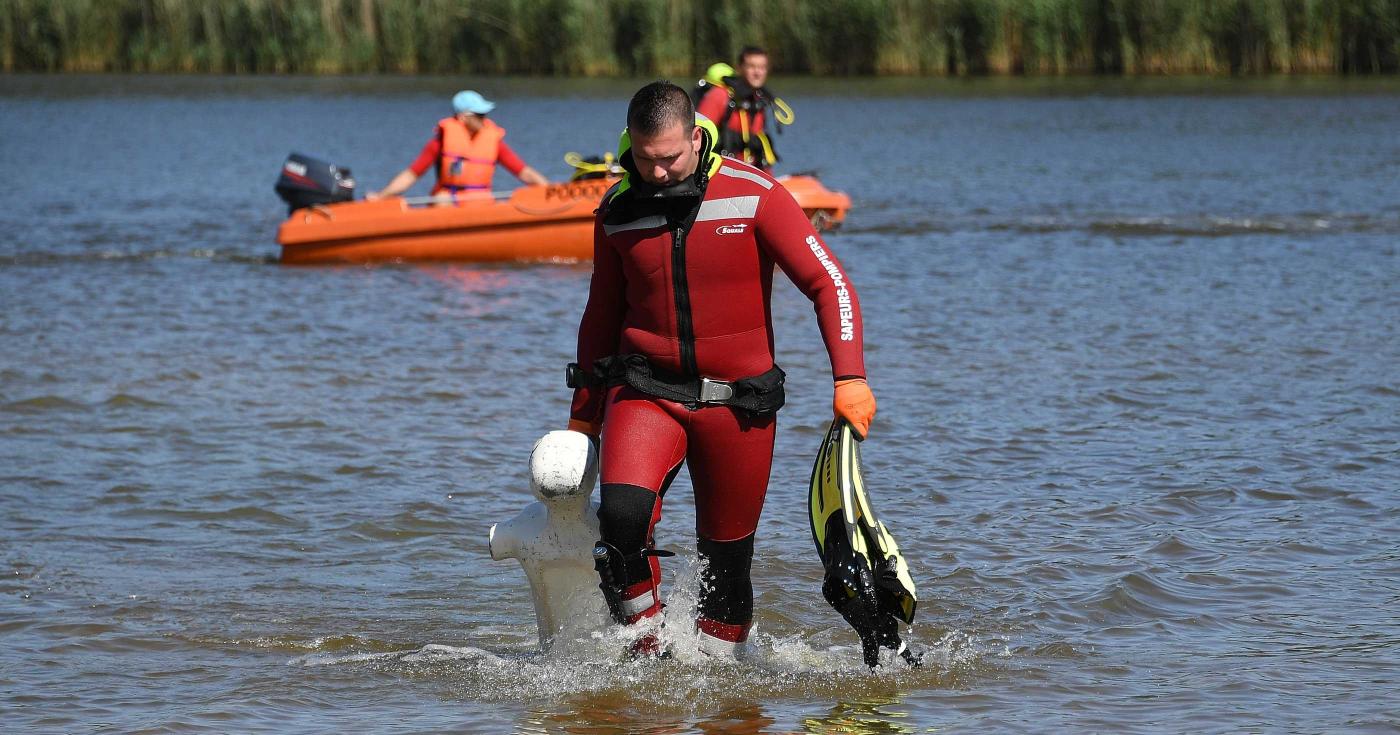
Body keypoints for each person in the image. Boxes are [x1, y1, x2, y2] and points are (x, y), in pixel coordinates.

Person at [564, 81, 875, 658]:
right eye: (643, 157)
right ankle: (645, 649)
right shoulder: (616, 208)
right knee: (622, 523)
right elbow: (599, 316)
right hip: (645, 392)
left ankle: (720, 679)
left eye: (669, 158)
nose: (655, 172)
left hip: (739, 405)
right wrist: (582, 421)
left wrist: (849, 376)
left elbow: (829, 284)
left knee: (727, 567)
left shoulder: (754, 193)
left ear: (695, 138)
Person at [367, 90, 548, 203]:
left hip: (479, 203)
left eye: (485, 114)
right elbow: (411, 175)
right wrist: (381, 196)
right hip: (449, 201)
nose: (484, 119)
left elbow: (525, 173)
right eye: (479, 115)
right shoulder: (440, 142)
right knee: (441, 200)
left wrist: (552, 191)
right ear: (463, 117)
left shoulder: (494, 142)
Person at [695, 46, 793, 170]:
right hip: (719, 173)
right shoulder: (720, 96)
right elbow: (695, 139)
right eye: (752, 66)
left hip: (749, 174)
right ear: (740, 68)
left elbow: (759, 148)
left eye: (762, 67)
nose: (757, 73)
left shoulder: (759, 100)